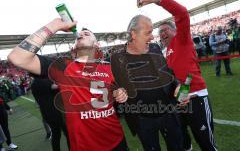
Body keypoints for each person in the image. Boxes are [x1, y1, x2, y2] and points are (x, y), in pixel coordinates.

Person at [8, 18, 128, 151]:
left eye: (86, 34)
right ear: (74, 47)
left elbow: (119, 89)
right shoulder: (63, 67)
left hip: (117, 140)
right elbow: (17, 57)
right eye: (79, 36)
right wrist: (55, 25)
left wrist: (121, 92)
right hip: (84, 146)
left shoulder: (109, 67)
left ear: (97, 44)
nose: (81, 35)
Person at [136, 0, 218, 151]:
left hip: (195, 97)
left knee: (206, 143)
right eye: (160, 32)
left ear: (176, 30)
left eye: (165, 30)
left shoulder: (182, 39)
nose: (162, 34)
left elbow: (181, 13)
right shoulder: (165, 52)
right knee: (182, 143)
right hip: (176, 103)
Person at [111, 10, 184, 151]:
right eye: (148, 33)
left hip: (168, 112)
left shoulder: (155, 48)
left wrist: (177, 85)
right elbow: (110, 85)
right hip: (142, 120)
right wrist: (116, 91)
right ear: (133, 34)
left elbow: (168, 74)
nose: (152, 37)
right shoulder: (117, 58)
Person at [31, 76, 70, 151]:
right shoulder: (42, 81)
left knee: (56, 134)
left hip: (46, 113)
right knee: (68, 133)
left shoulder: (34, 83)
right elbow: (55, 87)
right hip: (56, 112)